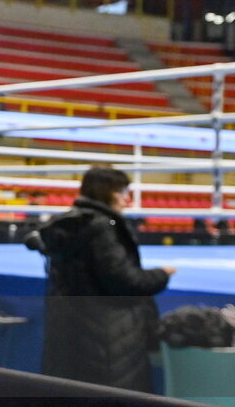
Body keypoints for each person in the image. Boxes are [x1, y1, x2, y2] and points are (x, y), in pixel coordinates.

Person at [26, 166, 175, 391]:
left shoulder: (66, 225)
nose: (126, 199)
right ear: (110, 192)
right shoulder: (103, 227)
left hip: (70, 332)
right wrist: (161, 274)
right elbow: (125, 281)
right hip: (108, 340)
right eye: (123, 191)